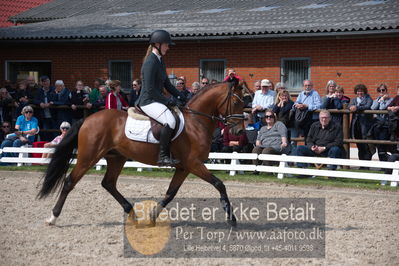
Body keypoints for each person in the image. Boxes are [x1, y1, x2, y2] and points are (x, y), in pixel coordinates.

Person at [135, 30, 187, 166]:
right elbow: (150, 90)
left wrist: (181, 96)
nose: (168, 47)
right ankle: (163, 156)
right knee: (169, 121)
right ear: (157, 44)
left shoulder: (160, 61)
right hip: (147, 101)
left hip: (155, 99)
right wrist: (167, 101)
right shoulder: (150, 62)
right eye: (166, 45)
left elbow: (167, 84)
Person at [294, 110, 343, 178]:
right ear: (319, 118)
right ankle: (303, 171)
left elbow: (338, 142)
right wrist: (312, 147)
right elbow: (309, 139)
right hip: (315, 149)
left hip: (328, 150)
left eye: (326, 117)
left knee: (336, 149)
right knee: (300, 148)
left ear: (330, 118)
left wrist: (324, 148)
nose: (324, 119)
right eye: (322, 117)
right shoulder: (314, 125)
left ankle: (331, 173)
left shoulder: (337, 127)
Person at [348, 84, 373, 162]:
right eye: (358, 91)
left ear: (364, 91)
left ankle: (367, 162)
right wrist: (351, 107)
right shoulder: (354, 99)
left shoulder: (368, 98)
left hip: (365, 124)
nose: (360, 92)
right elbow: (349, 106)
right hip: (356, 124)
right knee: (359, 144)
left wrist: (357, 107)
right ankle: (361, 162)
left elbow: (368, 106)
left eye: (361, 91)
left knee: (366, 144)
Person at [369, 83, 394, 162]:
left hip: (386, 125)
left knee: (384, 144)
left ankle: (387, 162)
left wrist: (382, 100)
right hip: (377, 125)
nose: (381, 91)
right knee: (378, 145)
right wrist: (380, 100)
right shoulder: (377, 100)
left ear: (386, 91)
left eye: (383, 90)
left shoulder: (391, 100)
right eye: (379, 90)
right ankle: (382, 164)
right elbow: (372, 108)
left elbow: (383, 108)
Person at [33, 75, 56, 141]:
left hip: (53, 115)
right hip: (44, 116)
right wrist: (40, 103)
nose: (46, 83)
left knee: (55, 132)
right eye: (44, 81)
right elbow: (34, 100)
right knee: (46, 132)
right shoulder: (39, 91)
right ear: (41, 83)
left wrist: (51, 103)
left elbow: (57, 98)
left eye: (47, 81)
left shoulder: (54, 89)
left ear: (49, 81)